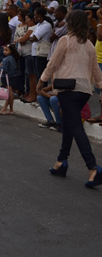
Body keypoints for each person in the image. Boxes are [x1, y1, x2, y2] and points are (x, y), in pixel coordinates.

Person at [39, 10, 102, 187]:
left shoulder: (65, 40)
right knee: (68, 123)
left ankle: (93, 167)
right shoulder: (89, 44)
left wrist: (42, 80)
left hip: (68, 89)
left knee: (75, 127)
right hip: (84, 90)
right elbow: (96, 70)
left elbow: (53, 62)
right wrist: (101, 88)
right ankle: (61, 161)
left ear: (71, 24)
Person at [0, 44, 22, 115]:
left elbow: (5, 69)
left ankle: (7, 109)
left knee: (9, 93)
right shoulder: (14, 58)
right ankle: (9, 109)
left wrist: (0, 66)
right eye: (4, 50)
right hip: (13, 76)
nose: (4, 51)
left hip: (8, 77)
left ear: (11, 51)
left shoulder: (7, 59)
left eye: (6, 50)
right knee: (10, 92)